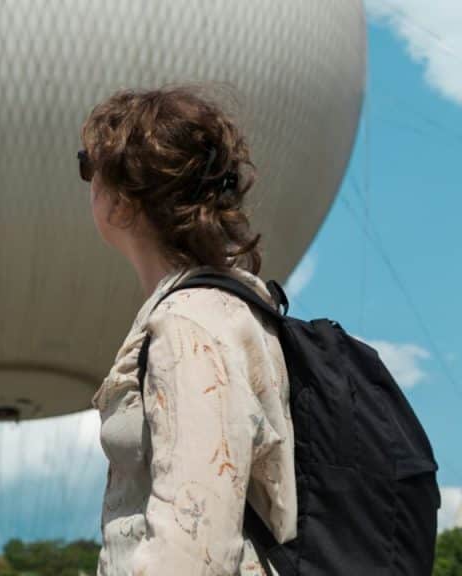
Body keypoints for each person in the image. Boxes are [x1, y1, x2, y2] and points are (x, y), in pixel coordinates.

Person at [80, 87, 296, 575]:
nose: (86, 183)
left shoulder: (189, 326)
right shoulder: (235, 308)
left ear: (123, 203)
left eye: (90, 168)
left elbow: (194, 542)